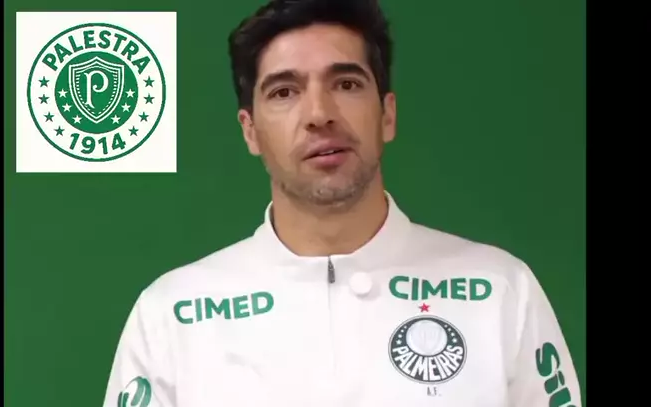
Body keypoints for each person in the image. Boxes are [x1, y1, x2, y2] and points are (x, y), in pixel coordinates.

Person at [102, 0, 582, 406]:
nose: (319, 114)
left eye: (346, 84)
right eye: (284, 91)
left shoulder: (499, 293)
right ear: (251, 131)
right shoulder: (172, 314)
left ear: (387, 115)